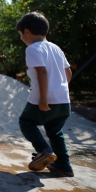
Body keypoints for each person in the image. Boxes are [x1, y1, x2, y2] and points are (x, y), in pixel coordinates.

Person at [16, 12, 74, 177]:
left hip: (44, 98)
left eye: (20, 35)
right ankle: (64, 165)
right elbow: (67, 72)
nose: (21, 38)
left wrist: (43, 97)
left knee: (26, 122)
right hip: (63, 100)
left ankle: (43, 151)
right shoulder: (56, 48)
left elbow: (42, 72)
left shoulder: (33, 49)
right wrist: (61, 90)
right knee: (55, 131)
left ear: (27, 32)